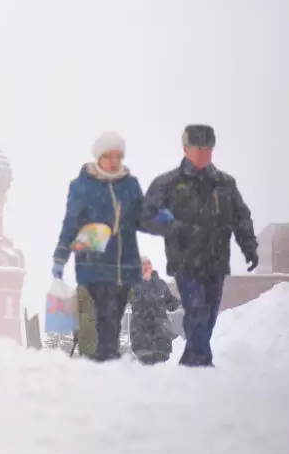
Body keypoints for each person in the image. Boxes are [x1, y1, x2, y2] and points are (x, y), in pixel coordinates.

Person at [141, 124, 258, 368]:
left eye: (208, 149)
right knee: (197, 311)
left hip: (216, 263)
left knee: (209, 317)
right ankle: (201, 369)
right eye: (198, 149)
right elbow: (143, 216)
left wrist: (249, 247)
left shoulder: (225, 184)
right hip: (185, 263)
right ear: (186, 149)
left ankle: (192, 363)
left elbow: (241, 217)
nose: (204, 154)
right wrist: (172, 227)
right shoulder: (168, 184)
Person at [52, 132, 154, 362]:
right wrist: (61, 256)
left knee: (115, 314)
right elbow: (71, 222)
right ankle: (107, 359)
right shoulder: (82, 186)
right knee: (105, 312)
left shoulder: (129, 184)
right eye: (108, 156)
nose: (114, 161)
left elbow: (141, 218)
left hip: (125, 262)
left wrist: (164, 222)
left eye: (118, 156)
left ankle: (106, 358)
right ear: (99, 157)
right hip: (94, 261)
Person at [128, 256, 181, 364]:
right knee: (147, 370)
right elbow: (137, 300)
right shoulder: (132, 284)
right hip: (142, 336)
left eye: (149, 263)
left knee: (160, 371)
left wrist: (184, 299)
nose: (147, 266)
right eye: (143, 264)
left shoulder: (161, 284)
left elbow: (171, 305)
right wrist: (145, 282)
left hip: (162, 337)